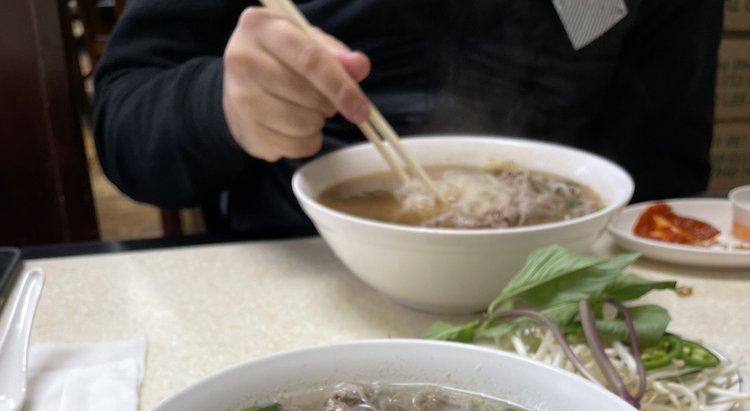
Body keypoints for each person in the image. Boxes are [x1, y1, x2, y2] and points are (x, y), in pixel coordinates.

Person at [92, 0, 724, 239]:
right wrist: (219, 105)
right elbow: (124, 124)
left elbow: (662, 169)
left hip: (551, 291)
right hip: (299, 270)